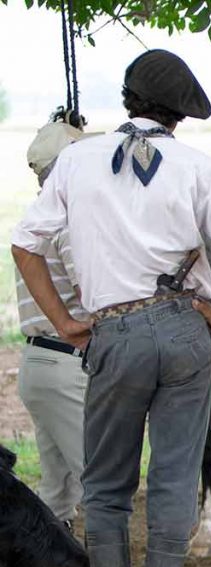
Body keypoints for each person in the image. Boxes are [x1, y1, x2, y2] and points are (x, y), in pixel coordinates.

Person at [11, 49, 211, 567]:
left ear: (127, 100)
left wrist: (64, 322)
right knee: (176, 480)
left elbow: (26, 245)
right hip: (185, 332)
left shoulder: (76, 161)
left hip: (115, 332)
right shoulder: (197, 167)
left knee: (104, 488)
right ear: (181, 114)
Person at [14, 115, 96, 530]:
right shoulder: (69, 220)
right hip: (68, 365)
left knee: (56, 491)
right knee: (99, 483)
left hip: (38, 365)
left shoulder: (36, 218)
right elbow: (92, 292)